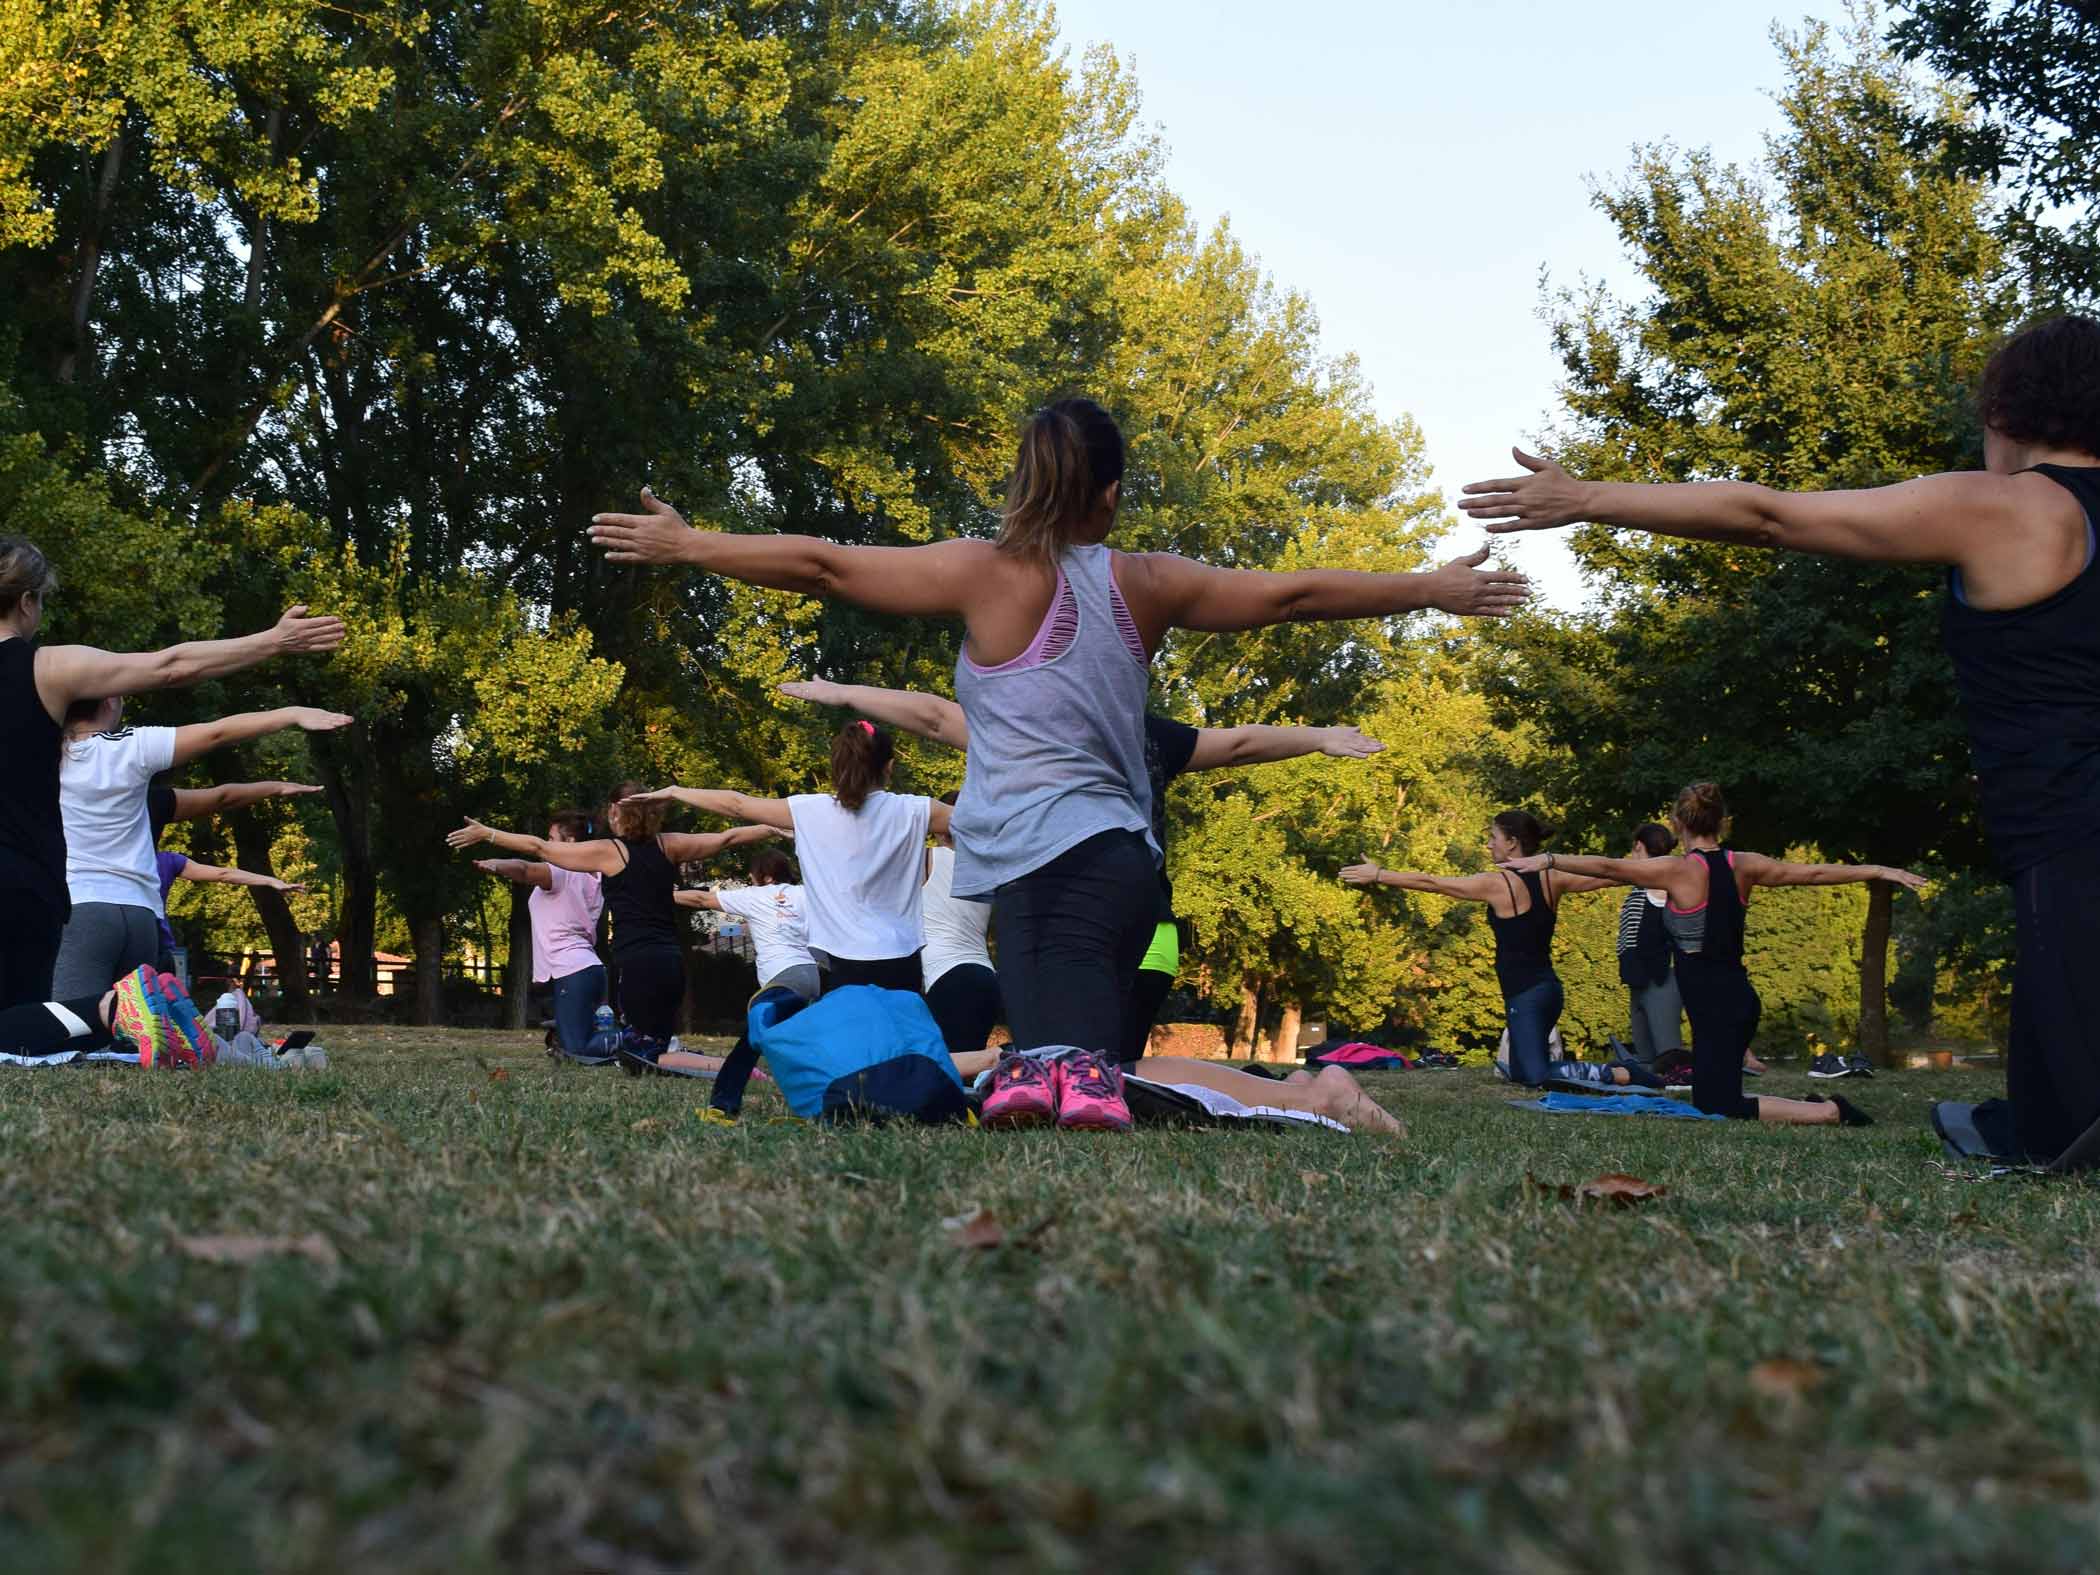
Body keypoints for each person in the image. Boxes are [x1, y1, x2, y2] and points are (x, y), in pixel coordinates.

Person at [593, 401, 1526, 1131]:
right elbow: (1291, 594)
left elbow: (828, 567)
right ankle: (1295, 1094)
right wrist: (1427, 588)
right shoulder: (1147, 581)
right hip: (1117, 867)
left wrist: (691, 544)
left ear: (1024, 482)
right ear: (1109, 494)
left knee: (1079, 1076)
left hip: (1057, 873)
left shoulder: (987, 572)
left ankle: (1311, 1096)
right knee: (1061, 1071)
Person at [1459, 314, 2100, 1158]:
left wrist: (1586, 498)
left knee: (2063, 1130)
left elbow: (1770, 516)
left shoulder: (2014, 507)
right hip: (2059, 839)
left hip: (2070, 835)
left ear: (2005, 415)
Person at [776, 677, 1384, 1063]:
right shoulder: (1148, 736)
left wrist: (846, 694)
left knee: (1077, 1058)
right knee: (1113, 1061)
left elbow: (938, 717)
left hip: (1075, 919)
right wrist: (1317, 735)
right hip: (1150, 923)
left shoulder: (1035, 735)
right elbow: (1239, 744)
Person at [0, 538, 342, 1010]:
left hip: (63, 899)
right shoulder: (49, 669)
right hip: (31, 888)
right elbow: (171, 668)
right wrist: (272, 643)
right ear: (26, 601)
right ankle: (118, 1018)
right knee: (34, 1027)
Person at [1499, 782, 1924, 1125]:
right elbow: (1811, 872)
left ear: (1676, 823)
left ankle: (1831, 1111)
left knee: (1718, 1105)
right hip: (1730, 999)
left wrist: (1549, 860)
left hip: (1718, 1005)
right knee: (1712, 1094)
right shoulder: (1745, 864)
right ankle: (1811, 1104)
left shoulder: (1677, 870)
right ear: (1723, 821)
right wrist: (1877, 869)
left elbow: (1610, 867)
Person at [622, 721, 951, 995]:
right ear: (889, 767)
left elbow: (736, 804)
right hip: (902, 957)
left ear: (837, 766)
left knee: (854, 1056)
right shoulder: (917, 809)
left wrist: (677, 791)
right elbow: (983, 822)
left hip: (842, 962)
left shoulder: (809, 810)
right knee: (900, 1051)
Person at [52, 702, 352, 999]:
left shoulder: (37, 756)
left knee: (72, 1025)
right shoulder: (134, 757)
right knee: (134, 1033)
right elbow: (219, 760)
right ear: (110, 702)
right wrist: (290, 717)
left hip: (80, 907)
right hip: (141, 913)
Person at [1340, 811, 1648, 1090]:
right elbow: (1608, 877)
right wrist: (1643, 866)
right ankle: (1604, 1070)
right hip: (1544, 992)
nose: (1488, 845)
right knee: (1518, 1072)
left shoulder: (1498, 883)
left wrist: (1379, 875)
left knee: (1537, 1077)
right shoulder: (1553, 877)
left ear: (1512, 843)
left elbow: (1432, 882)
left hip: (1528, 996)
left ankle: (1620, 1073)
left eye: (1493, 837)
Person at [446, 787, 777, 1046]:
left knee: (639, 1048)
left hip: (636, 961)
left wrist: (489, 834)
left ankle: (700, 1064)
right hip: (671, 960)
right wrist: (774, 824)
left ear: (618, 815)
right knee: (657, 1045)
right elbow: (727, 837)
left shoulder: (608, 853)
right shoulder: (670, 845)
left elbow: (538, 850)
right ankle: (689, 1059)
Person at [469, 809, 608, 1059]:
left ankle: (634, 1041)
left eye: (551, 839)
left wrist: (497, 865)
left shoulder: (561, 872)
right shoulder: (595, 874)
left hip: (573, 970)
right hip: (587, 969)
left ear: (570, 843)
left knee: (577, 1050)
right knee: (575, 1043)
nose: (547, 845)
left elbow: (524, 869)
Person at [675, 846, 821, 1003]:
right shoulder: (804, 893)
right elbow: (755, 927)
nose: (750, 876)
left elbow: (701, 899)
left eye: (754, 871)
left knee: (767, 1024)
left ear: (768, 878)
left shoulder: (753, 896)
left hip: (781, 977)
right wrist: (722, 932)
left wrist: (664, 893)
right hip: (811, 973)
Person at [152, 849, 307, 982]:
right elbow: (224, 873)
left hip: (143, 944)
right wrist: (270, 880)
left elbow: (223, 874)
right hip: (159, 948)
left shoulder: (151, 860)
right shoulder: (165, 859)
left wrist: (270, 881)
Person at [1615, 822, 1684, 1070]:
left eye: (1634, 851)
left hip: (1660, 977)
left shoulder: (1661, 884)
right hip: (1638, 977)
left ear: (1639, 846)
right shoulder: (1642, 885)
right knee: (1645, 1056)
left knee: (1668, 1052)